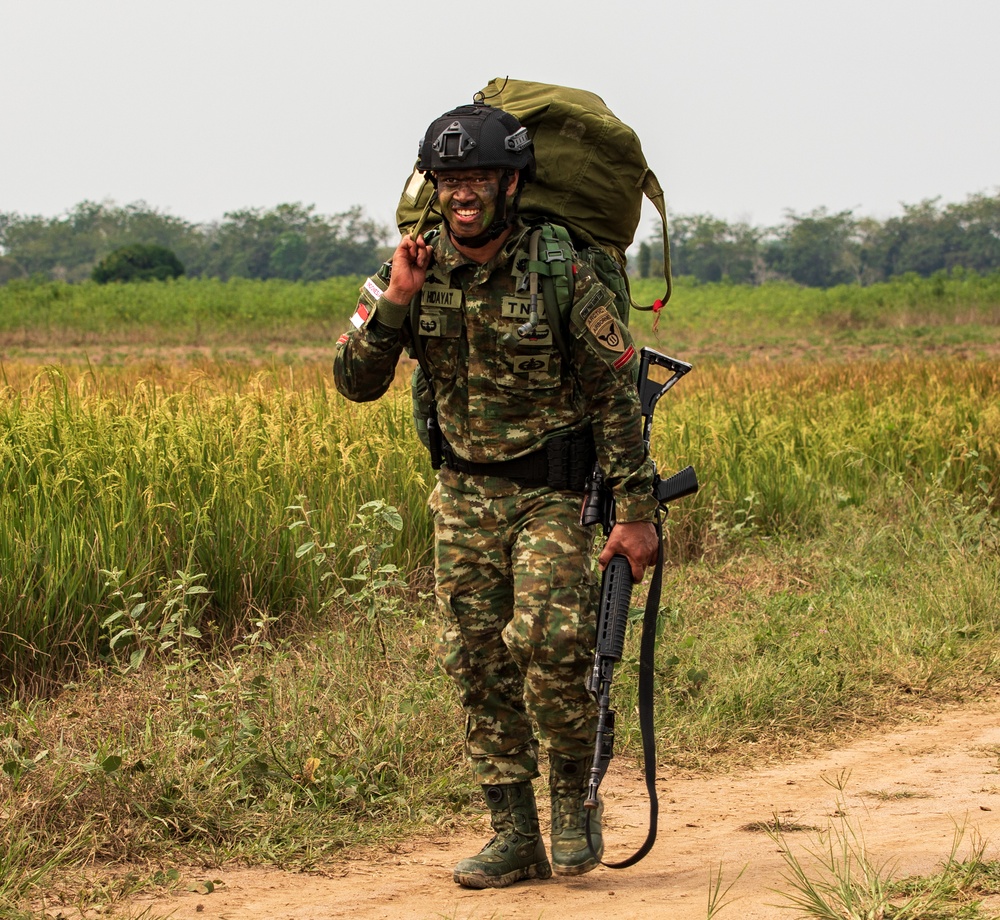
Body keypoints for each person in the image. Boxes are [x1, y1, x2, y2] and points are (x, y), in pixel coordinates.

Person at [333, 102, 660, 889]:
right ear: (433, 186)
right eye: (449, 181)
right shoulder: (409, 267)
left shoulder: (560, 268)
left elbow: (616, 394)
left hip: (551, 492)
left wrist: (638, 513)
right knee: (476, 661)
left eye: (477, 178)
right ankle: (513, 835)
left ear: (513, 183)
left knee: (548, 640)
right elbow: (353, 380)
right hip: (462, 491)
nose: (462, 194)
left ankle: (575, 801)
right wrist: (397, 304)